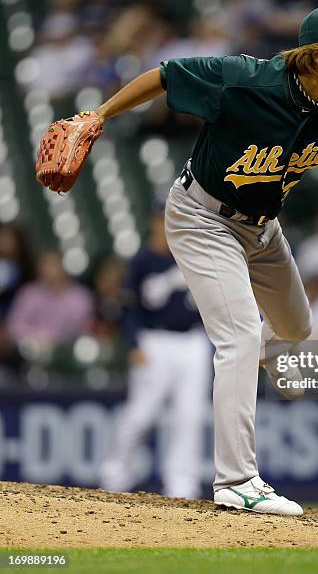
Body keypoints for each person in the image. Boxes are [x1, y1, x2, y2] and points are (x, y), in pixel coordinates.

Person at [92, 4, 318, 516]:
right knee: (238, 334)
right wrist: (98, 116)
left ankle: (264, 354)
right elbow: (166, 75)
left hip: (261, 227)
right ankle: (236, 480)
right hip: (201, 216)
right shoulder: (246, 79)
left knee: (295, 327)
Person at [100, 205, 211, 498]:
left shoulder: (194, 254)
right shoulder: (142, 260)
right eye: (161, 218)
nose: (166, 224)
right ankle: (115, 474)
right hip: (154, 340)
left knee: (191, 415)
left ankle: (182, 485)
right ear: (152, 221)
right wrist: (133, 343)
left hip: (192, 341)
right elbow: (126, 307)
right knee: (141, 413)